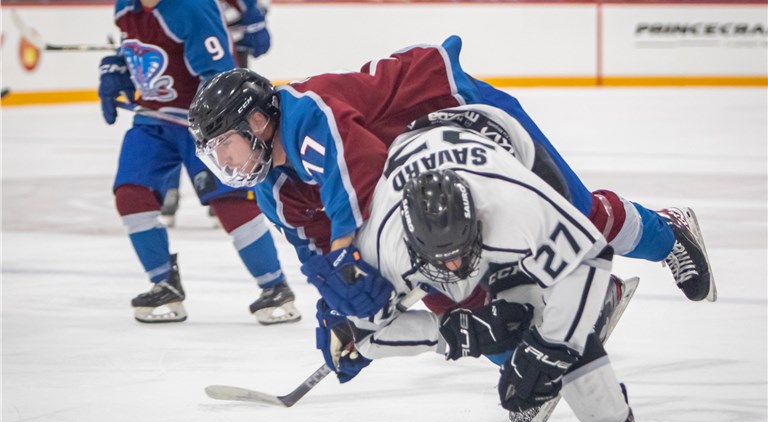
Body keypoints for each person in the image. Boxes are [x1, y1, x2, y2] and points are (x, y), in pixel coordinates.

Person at [187, 35, 715, 320]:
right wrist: (340, 313)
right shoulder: (271, 186)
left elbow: (360, 183)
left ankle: (667, 232)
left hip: (468, 115)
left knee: (576, 221)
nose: (224, 165)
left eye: (223, 147)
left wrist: (354, 260)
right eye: (213, 156)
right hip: (427, 163)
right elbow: (315, 249)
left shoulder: (305, 112)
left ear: (257, 121)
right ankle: (514, 360)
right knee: (438, 274)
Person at [319, 105, 640, 422]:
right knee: (542, 315)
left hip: (502, 143)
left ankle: (611, 418)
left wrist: (549, 349)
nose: (454, 267)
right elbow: (365, 336)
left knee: (550, 307)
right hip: (419, 151)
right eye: (441, 259)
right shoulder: (381, 249)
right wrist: (454, 334)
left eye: (459, 251)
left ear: (477, 219)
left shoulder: (511, 204)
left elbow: (587, 257)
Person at [98, 0, 299, 325]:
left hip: (203, 126)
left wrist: (211, 122)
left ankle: (274, 286)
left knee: (230, 202)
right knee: (131, 195)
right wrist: (115, 68)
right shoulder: (125, 7)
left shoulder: (192, 7)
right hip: (152, 122)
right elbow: (132, 48)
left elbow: (219, 76)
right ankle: (163, 283)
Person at [160, 0, 271, 228]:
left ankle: (226, 188)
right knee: (181, 124)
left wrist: (253, 19)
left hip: (227, 50)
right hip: (189, 52)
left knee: (224, 123)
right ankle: (169, 188)